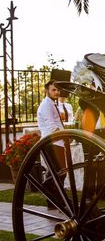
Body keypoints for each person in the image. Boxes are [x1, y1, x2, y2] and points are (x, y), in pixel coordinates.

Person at [36, 80, 66, 209]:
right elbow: (52, 126)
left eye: (58, 90)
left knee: (57, 173)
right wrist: (66, 135)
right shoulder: (46, 105)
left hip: (57, 142)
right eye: (54, 90)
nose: (57, 92)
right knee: (59, 173)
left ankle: (54, 201)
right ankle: (55, 199)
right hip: (51, 143)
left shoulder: (52, 104)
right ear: (47, 91)